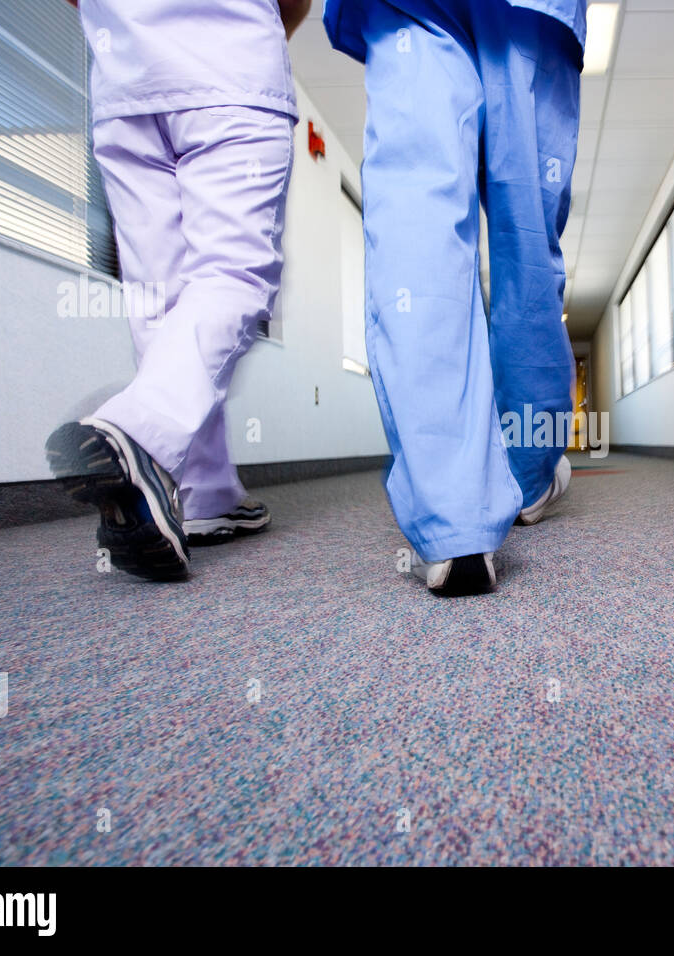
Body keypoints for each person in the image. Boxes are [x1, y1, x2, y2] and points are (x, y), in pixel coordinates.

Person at [323, 0, 585, 594]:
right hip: (531, 13)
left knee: (419, 218)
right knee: (527, 241)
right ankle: (528, 468)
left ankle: (454, 521)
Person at [45, 0, 312, 580]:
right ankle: (138, 428)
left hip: (126, 87)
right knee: (234, 271)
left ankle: (203, 495)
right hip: (230, 73)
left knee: (158, 298)